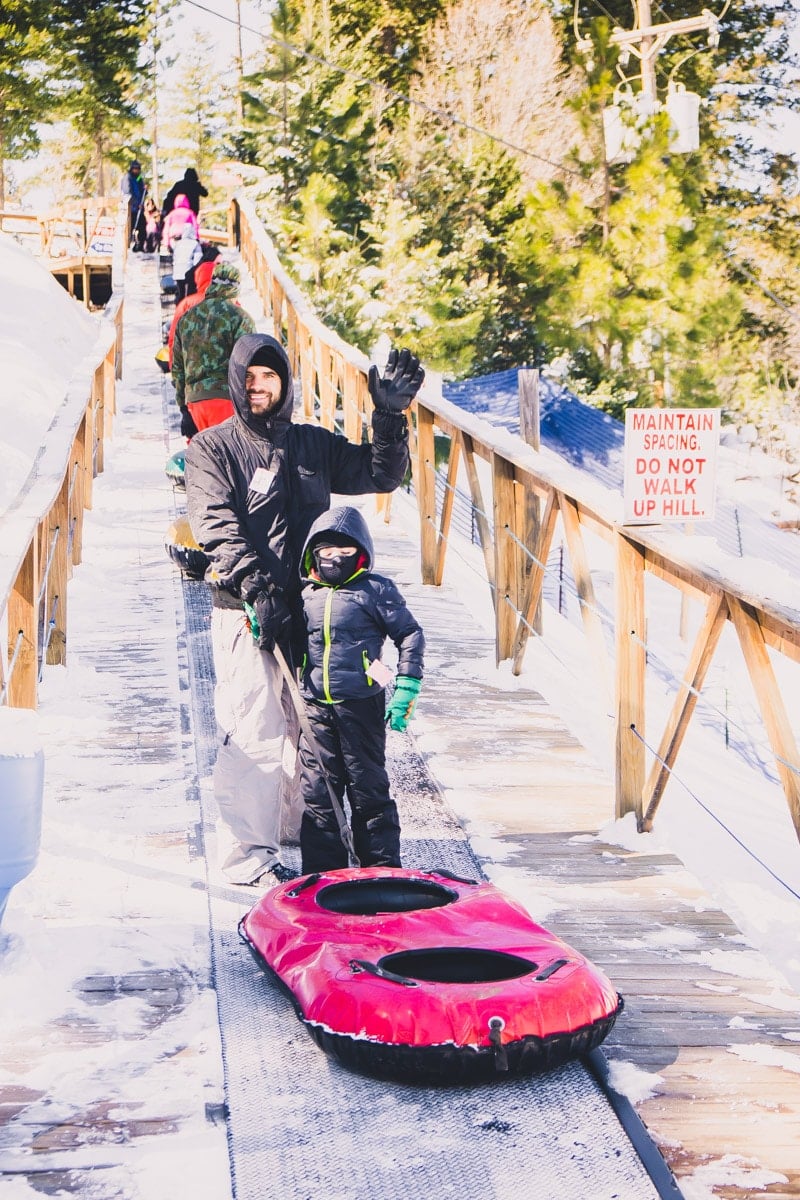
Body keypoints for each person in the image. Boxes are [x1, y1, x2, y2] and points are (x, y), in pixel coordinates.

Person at [184, 334, 424, 886]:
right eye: (249, 377)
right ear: (236, 382)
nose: (258, 386)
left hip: (316, 610)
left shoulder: (310, 445)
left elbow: (380, 475)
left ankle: (296, 829)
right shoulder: (212, 449)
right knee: (255, 726)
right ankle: (247, 854)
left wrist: (388, 420)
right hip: (246, 608)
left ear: (285, 382)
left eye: (269, 376)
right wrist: (258, 587)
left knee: (311, 728)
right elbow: (214, 525)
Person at [293, 505, 424, 872]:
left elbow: (410, 633)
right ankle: (322, 876)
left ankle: (380, 871)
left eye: (345, 553)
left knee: (367, 788)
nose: (336, 559)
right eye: (328, 553)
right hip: (316, 707)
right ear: (314, 555)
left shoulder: (375, 590)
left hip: (361, 705)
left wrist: (407, 683)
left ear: (360, 552)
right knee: (319, 792)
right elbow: (292, 635)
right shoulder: (306, 594)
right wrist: (263, 624)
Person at [171, 262, 255, 438]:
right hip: (228, 401)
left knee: (202, 460)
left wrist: (183, 408)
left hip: (195, 402)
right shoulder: (240, 317)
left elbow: (178, 368)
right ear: (235, 288)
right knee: (229, 459)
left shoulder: (187, 317)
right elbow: (249, 362)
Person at [166, 258, 216, 368]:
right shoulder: (231, 303)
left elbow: (174, 338)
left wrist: (174, 368)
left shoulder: (187, 304)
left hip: (192, 369)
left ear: (198, 278)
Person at [171, 225, 203, 303]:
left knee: (180, 293)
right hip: (189, 270)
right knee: (190, 293)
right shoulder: (195, 244)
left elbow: (175, 257)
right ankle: (189, 309)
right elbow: (198, 259)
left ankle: (179, 309)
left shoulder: (178, 243)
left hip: (178, 271)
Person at [121, 160, 146, 251]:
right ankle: (127, 246)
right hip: (130, 209)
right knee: (130, 228)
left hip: (139, 209)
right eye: (135, 169)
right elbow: (127, 193)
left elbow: (142, 188)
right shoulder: (128, 178)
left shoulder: (138, 178)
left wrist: (145, 189)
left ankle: (139, 246)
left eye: (138, 169)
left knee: (142, 227)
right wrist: (136, 203)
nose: (136, 171)